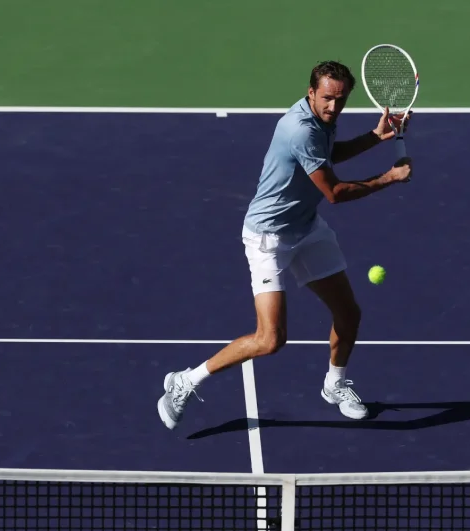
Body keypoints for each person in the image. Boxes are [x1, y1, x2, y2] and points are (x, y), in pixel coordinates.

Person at [157, 60, 412, 430]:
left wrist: (375, 137)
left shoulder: (320, 120)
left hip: (306, 228)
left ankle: (335, 384)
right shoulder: (300, 128)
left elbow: (327, 154)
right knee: (270, 339)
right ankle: (185, 381)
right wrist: (389, 177)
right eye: (327, 98)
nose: (334, 106)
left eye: (341, 99)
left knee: (348, 313)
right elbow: (335, 193)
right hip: (269, 238)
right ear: (311, 93)